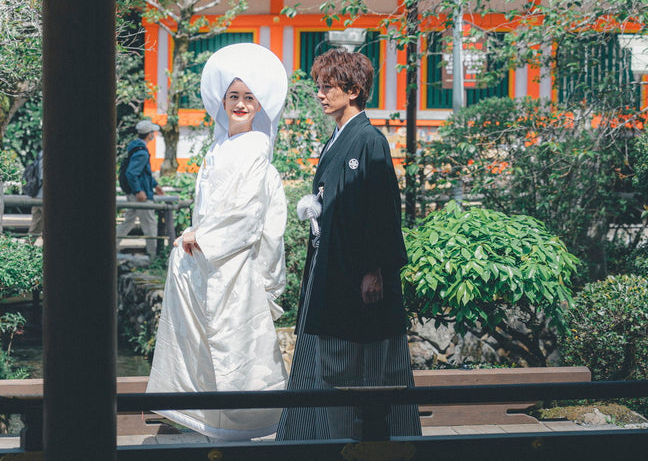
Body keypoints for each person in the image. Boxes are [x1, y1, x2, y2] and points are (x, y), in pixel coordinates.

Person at [277, 49, 422, 440]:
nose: (321, 95)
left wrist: (374, 268)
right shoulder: (337, 140)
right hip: (332, 266)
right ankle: (326, 443)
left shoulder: (369, 140)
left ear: (354, 90)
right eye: (319, 87)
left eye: (329, 87)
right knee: (331, 359)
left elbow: (381, 207)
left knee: (366, 364)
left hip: (358, 272)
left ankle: (366, 447)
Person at [146, 43, 289, 440]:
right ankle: (206, 419)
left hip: (233, 264)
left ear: (260, 104)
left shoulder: (256, 150)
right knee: (201, 345)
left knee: (236, 344)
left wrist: (202, 235)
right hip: (204, 261)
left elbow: (247, 214)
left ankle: (247, 425)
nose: (240, 104)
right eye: (233, 97)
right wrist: (198, 236)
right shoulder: (218, 146)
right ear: (222, 101)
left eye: (248, 97)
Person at [117, 119, 164, 256]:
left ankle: (110, 246)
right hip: (140, 195)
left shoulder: (135, 148)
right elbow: (132, 173)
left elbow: (143, 173)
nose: (153, 134)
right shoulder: (142, 152)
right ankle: (154, 255)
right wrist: (139, 190)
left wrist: (156, 185)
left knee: (129, 221)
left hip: (134, 192)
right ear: (149, 134)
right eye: (152, 132)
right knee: (150, 223)